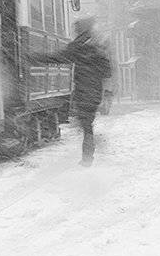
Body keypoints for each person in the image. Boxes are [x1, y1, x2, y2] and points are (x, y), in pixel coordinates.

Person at [32, 17, 113, 167]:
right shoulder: (97, 47)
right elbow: (107, 72)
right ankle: (91, 149)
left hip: (83, 90)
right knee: (85, 123)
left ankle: (88, 156)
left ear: (80, 30)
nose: (74, 31)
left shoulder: (77, 47)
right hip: (94, 92)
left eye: (76, 29)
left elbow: (58, 58)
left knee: (84, 124)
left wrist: (35, 57)